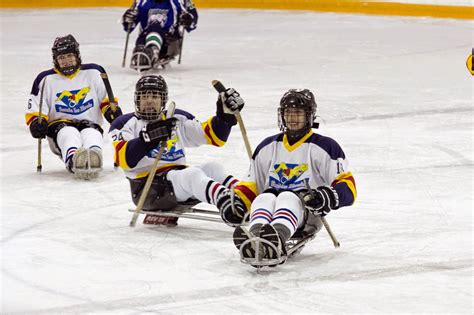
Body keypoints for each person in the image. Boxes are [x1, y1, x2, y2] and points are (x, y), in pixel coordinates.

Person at [231, 89, 357, 264]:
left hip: (306, 215)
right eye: (288, 113)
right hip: (272, 209)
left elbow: (348, 187)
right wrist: (237, 204)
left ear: (310, 115)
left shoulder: (325, 146)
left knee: (287, 196)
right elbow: (253, 184)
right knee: (264, 197)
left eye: (298, 113)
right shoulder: (267, 146)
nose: (292, 118)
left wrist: (325, 196)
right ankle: (256, 237)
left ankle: (276, 239)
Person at [109, 75, 247, 226]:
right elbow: (123, 159)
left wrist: (224, 116)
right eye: (144, 96)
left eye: (155, 96)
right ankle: (229, 205)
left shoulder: (176, 118)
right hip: (148, 189)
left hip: (177, 184)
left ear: (163, 100)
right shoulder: (124, 123)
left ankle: (246, 197)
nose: (149, 100)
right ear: (137, 100)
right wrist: (148, 138)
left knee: (213, 167)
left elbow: (214, 136)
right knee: (192, 174)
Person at [25, 34, 123, 179]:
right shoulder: (45, 79)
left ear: (77, 55)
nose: (66, 61)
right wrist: (36, 123)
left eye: (69, 56)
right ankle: (73, 160)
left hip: (89, 123)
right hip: (58, 128)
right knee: (69, 133)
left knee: (92, 134)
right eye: (61, 58)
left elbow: (106, 100)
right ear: (55, 60)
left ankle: (94, 157)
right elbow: (36, 109)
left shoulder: (94, 72)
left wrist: (110, 111)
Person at [122, 0, 198, 71]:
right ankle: (145, 50)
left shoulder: (180, 1)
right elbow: (128, 27)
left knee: (155, 25)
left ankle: (152, 50)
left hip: (169, 42)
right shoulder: (141, 1)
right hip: (145, 38)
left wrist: (189, 19)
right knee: (147, 33)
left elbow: (192, 24)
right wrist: (127, 19)